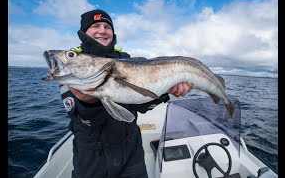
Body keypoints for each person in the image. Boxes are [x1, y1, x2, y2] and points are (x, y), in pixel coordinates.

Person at [60, 9, 193, 178]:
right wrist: (88, 103)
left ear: (113, 32)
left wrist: (166, 92)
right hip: (91, 158)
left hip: (131, 152)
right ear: (84, 32)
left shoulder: (126, 59)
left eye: (107, 26)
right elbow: (80, 118)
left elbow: (141, 104)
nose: (102, 30)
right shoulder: (72, 65)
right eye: (95, 26)